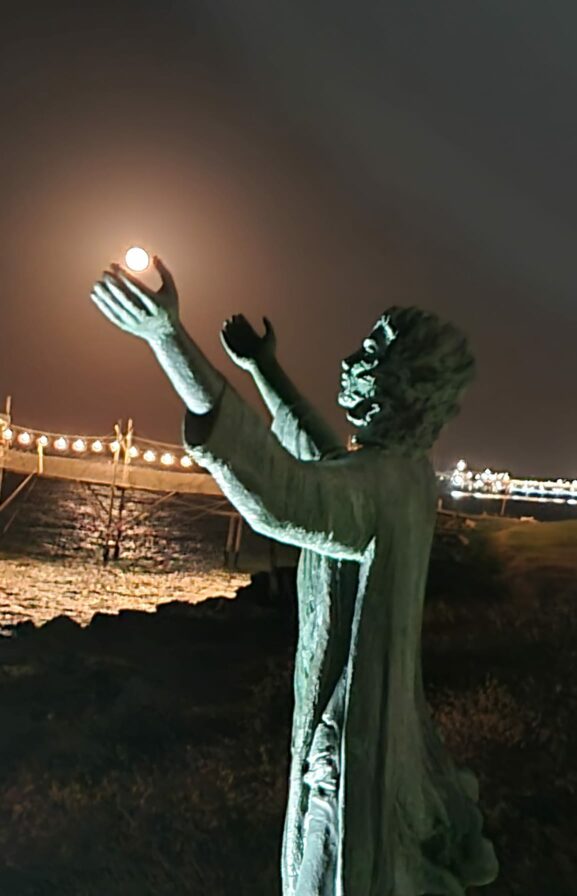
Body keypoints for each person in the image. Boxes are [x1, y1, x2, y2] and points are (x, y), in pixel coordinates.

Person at [91, 257, 498, 896]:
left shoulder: (381, 487)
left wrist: (169, 341)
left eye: (371, 351)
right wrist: (265, 369)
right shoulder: (406, 475)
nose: (351, 358)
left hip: (346, 762)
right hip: (368, 748)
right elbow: (325, 454)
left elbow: (283, 493)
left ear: (401, 383)